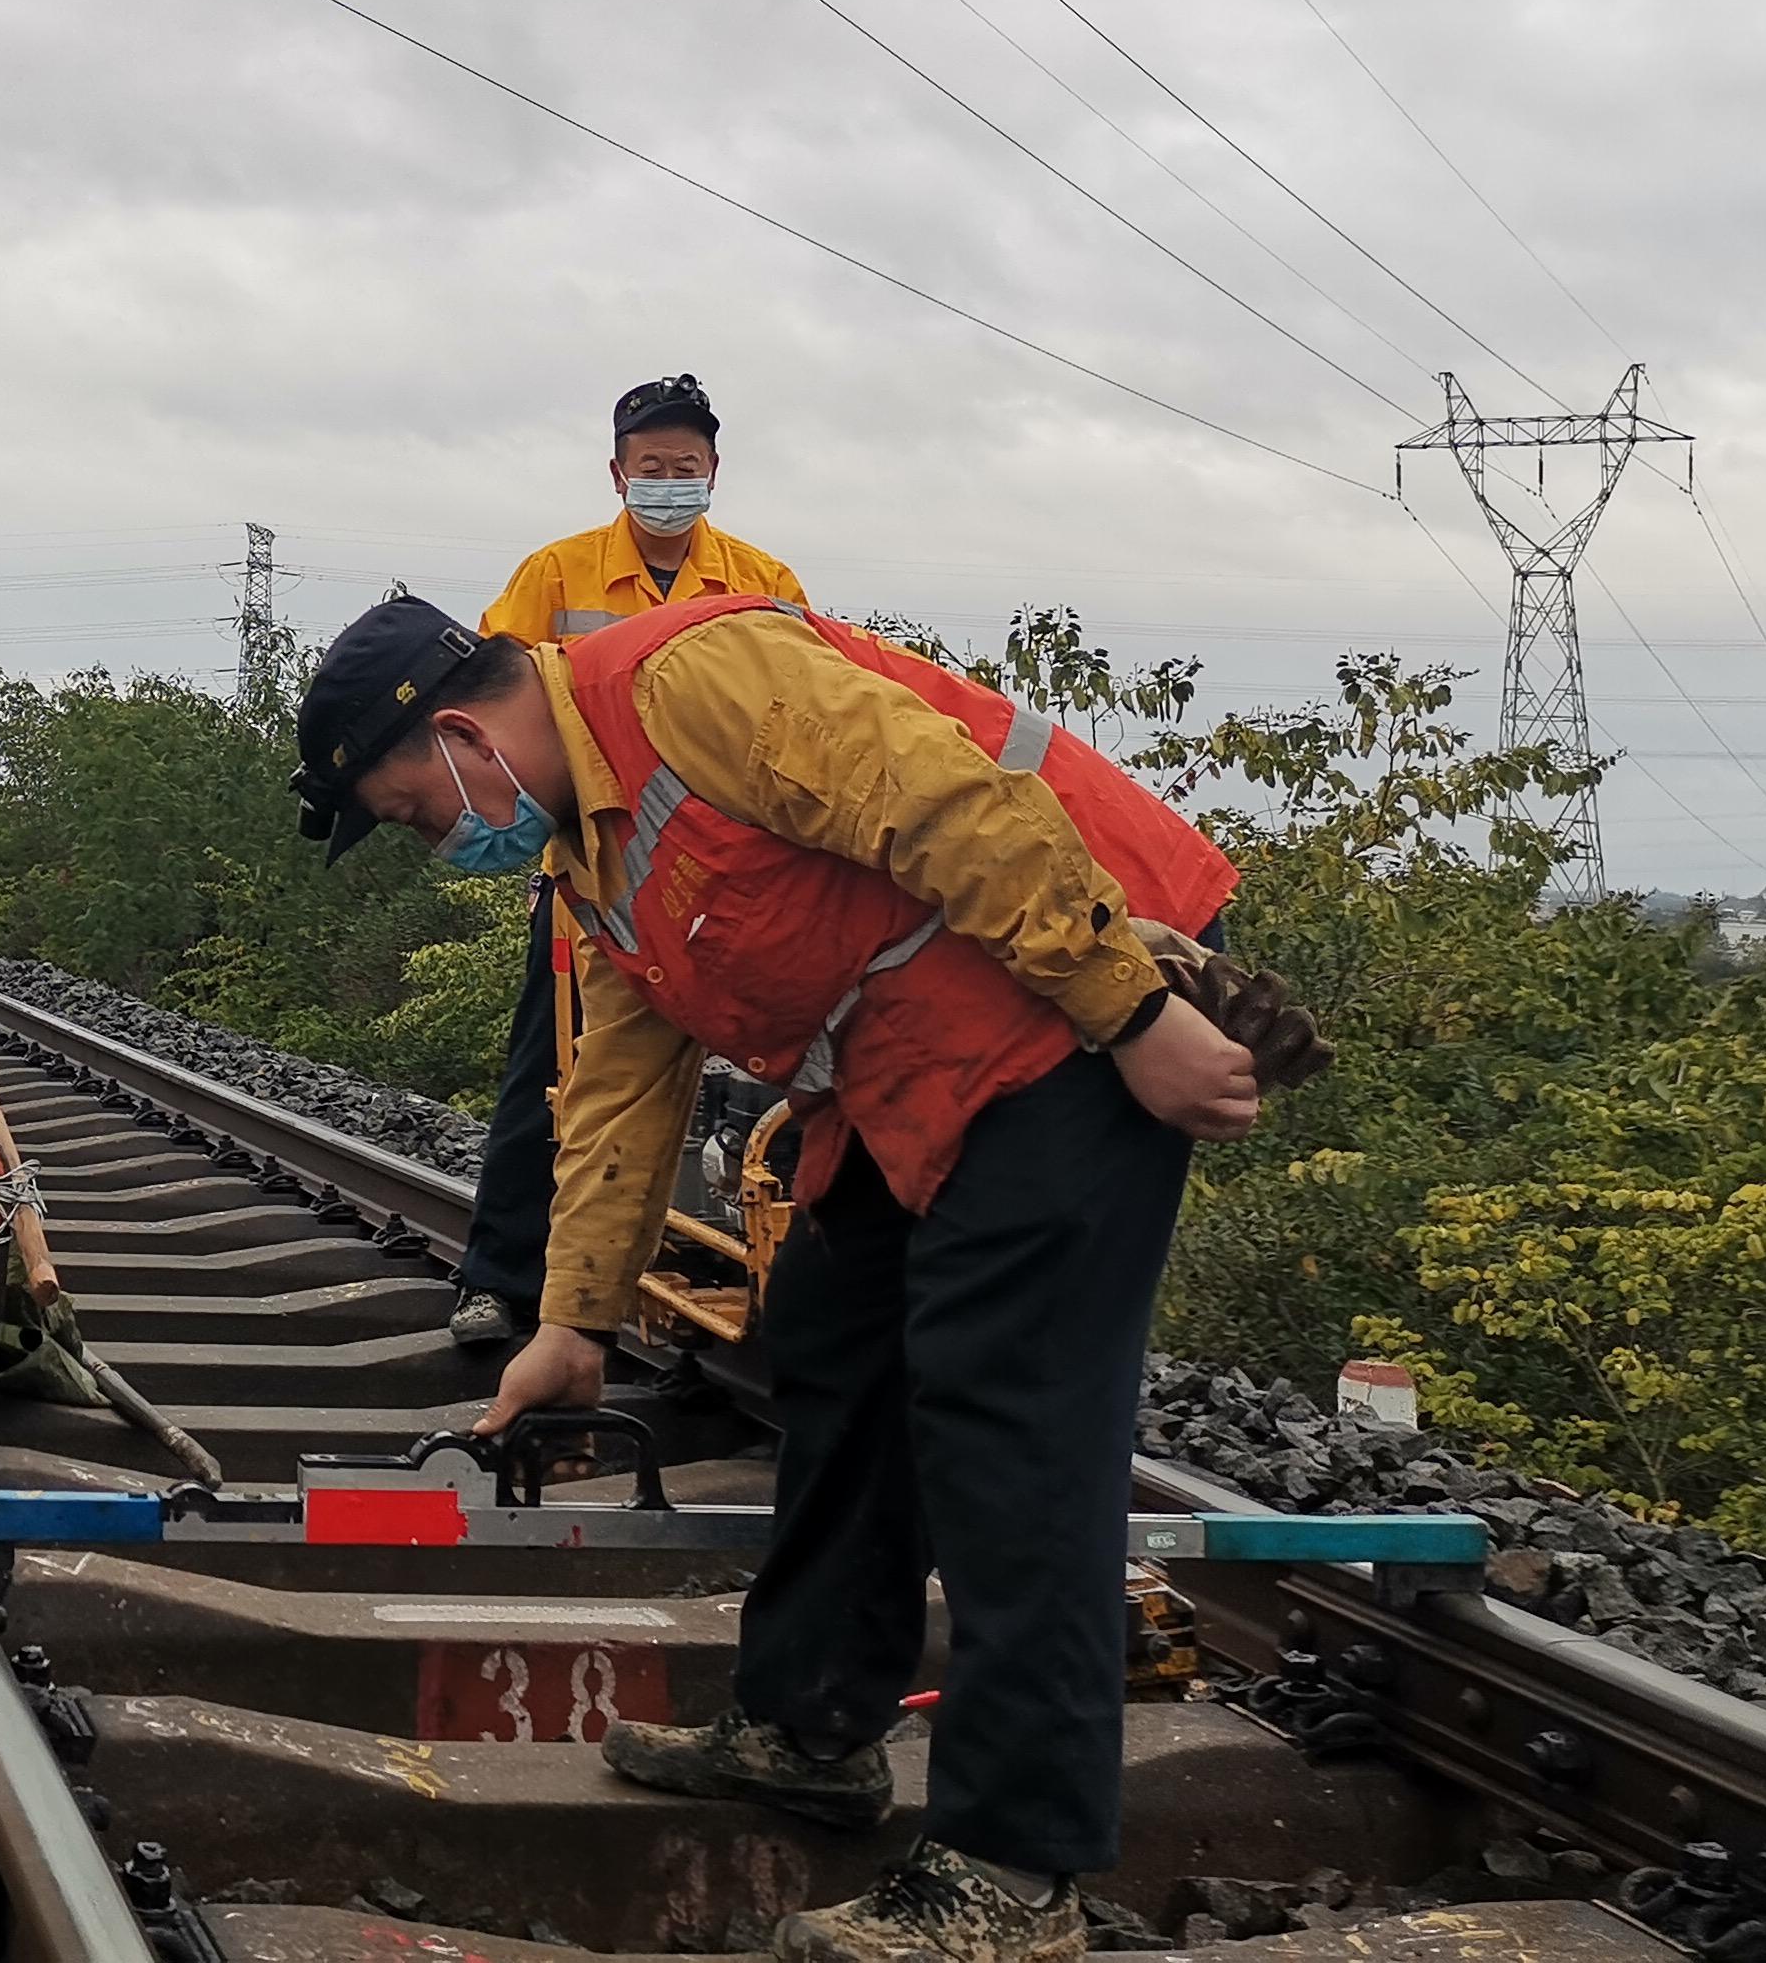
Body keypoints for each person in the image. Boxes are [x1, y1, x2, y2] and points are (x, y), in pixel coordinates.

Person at [291, 593, 1252, 1963]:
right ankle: (807, 1725)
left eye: (411, 812)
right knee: (834, 1348)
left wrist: (1140, 1018)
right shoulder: (588, 845)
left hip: (1068, 1014)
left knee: (1008, 1430)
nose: (435, 839)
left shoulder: (695, 682)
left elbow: (952, 810)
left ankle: (1016, 1874)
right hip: (917, 1060)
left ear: (459, 735)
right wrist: (575, 1324)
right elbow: (622, 1086)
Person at [457, 374, 807, 1352]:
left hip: (730, 879)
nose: (667, 484)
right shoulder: (555, 578)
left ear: (713, 473)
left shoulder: (761, 582)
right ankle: (500, 1280)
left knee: (764, 1077)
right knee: (554, 1071)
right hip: (593, 876)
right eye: (650, 469)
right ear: (617, 473)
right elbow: (490, 715)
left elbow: (806, 716)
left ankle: (737, 1265)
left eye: (684, 470)